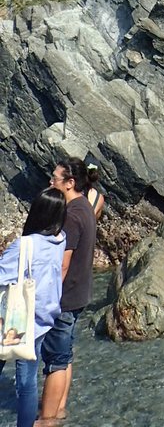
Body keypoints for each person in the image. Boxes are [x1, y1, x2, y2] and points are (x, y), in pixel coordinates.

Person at [0, 188, 66, 427]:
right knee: (27, 384)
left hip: (14, 321)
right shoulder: (61, 239)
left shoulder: (24, 245)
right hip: (42, 320)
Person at [38, 159, 96, 425]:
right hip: (80, 294)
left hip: (64, 297)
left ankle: (47, 419)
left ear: (70, 183)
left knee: (55, 361)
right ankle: (59, 410)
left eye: (55, 179)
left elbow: (62, 264)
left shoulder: (71, 215)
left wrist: (47, 300)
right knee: (65, 354)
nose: (51, 182)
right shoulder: (85, 205)